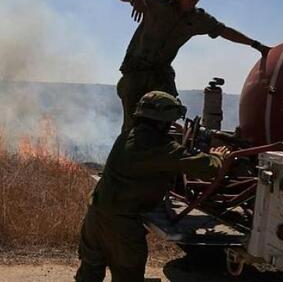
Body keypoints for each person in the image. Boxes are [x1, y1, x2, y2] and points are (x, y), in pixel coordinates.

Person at [74, 91, 230, 282]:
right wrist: (217, 157)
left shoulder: (126, 137)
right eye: (170, 121)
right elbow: (205, 168)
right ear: (161, 122)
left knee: (90, 270)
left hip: (96, 214)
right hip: (121, 226)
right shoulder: (160, 146)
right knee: (128, 276)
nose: (172, 125)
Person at [116, 0, 272, 132]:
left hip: (160, 74)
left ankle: (159, 152)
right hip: (135, 72)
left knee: (167, 115)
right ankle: (124, 153)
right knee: (132, 124)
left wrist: (256, 45)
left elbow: (225, 31)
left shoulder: (197, 19)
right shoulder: (159, 3)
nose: (193, 1)